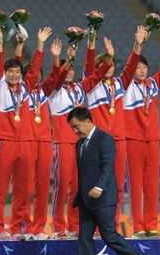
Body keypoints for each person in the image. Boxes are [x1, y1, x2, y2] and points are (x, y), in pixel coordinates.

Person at [67, 106, 143, 255]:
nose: (75, 130)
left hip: (103, 198)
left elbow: (108, 166)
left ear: (87, 121)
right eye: (72, 128)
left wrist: (99, 187)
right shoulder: (79, 144)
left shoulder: (105, 139)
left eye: (76, 126)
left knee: (108, 236)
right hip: (86, 200)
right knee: (84, 238)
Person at [0, 26, 48, 240]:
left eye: (16, 71)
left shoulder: (25, 87)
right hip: (5, 141)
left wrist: (40, 44)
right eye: (10, 72)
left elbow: (35, 68)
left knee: (23, 189)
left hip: (26, 142)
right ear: (4, 75)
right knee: (1, 187)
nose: (13, 75)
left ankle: (19, 227)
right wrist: (1, 45)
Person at [48, 43, 112, 239]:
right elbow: (57, 78)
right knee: (62, 185)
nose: (68, 73)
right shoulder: (55, 90)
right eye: (65, 70)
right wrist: (66, 60)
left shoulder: (78, 88)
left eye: (71, 70)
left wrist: (109, 57)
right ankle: (59, 226)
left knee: (78, 186)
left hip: (81, 144)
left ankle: (74, 226)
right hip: (62, 142)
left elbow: (95, 77)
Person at [123, 26, 160, 238]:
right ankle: (138, 227)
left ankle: (151, 225)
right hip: (134, 140)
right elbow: (129, 68)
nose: (141, 70)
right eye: (137, 67)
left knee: (151, 184)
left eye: (144, 67)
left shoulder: (154, 85)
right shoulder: (126, 86)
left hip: (153, 140)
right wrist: (138, 45)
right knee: (135, 186)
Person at [84, 27, 143, 227]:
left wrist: (138, 45)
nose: (109, 66)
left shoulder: (119, 84)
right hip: (98, 142)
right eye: (105, 63)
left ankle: (111, 225)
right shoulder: (91, 85)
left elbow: (131, 66)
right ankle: (94, 225)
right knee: (95, 184)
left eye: (111, 63)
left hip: (118, 141)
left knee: (116, 186)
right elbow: (89, 65)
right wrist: (94, 42)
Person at [25, 38, 68, 240]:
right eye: (34, 75)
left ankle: (39, 227)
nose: (37, 78)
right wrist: (40, 46)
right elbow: (33, 71)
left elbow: (55, 75)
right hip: (26, 143)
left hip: (44, 143)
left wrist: (56, 57)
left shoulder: (43, 92)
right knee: (25, 187)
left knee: (43, 187)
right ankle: (24, 226)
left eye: (39, 76)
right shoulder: (21, 93)